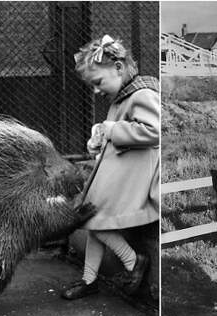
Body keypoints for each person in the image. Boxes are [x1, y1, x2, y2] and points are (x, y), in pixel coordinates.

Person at [62, 35, 159, 300]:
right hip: (117, 178)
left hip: (132, 181)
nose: (96, 90)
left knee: (94, 219)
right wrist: (100, 138)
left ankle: (132, 261)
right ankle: (89, 278)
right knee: (92, 217)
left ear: (118, 68)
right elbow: (119, 135)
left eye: (97, 82)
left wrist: (113, 130)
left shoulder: (143, 94)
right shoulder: (122, 97)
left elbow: (154, 131)